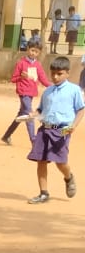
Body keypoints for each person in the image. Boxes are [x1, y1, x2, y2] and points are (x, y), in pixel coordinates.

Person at [26, 57, 82, 204]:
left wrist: (73, 126)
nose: (55, 77)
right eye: (53, 74)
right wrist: (33, 114)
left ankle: (68, 176)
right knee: (41, 161)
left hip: (63, 130)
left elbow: (81, 109)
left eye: (59, 73)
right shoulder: (48, 91)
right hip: (44, 129)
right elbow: (40, 110)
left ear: (67, 73)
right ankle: (43, 193)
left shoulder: (74, 90)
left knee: (60, 161)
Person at [2, 44, 49, 146]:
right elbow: (13, 79)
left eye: (36, 52)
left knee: (21, 115)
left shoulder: (37, 65)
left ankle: (6, 135)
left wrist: (53, 87)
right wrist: (21, 77)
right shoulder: (21, 63)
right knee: (29, 115)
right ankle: (34, 141)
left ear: (39, 53)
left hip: (31, 93)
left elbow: (43, 79)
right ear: (28, 49)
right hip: (23, 92)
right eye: (32, 50)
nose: (33, 53)